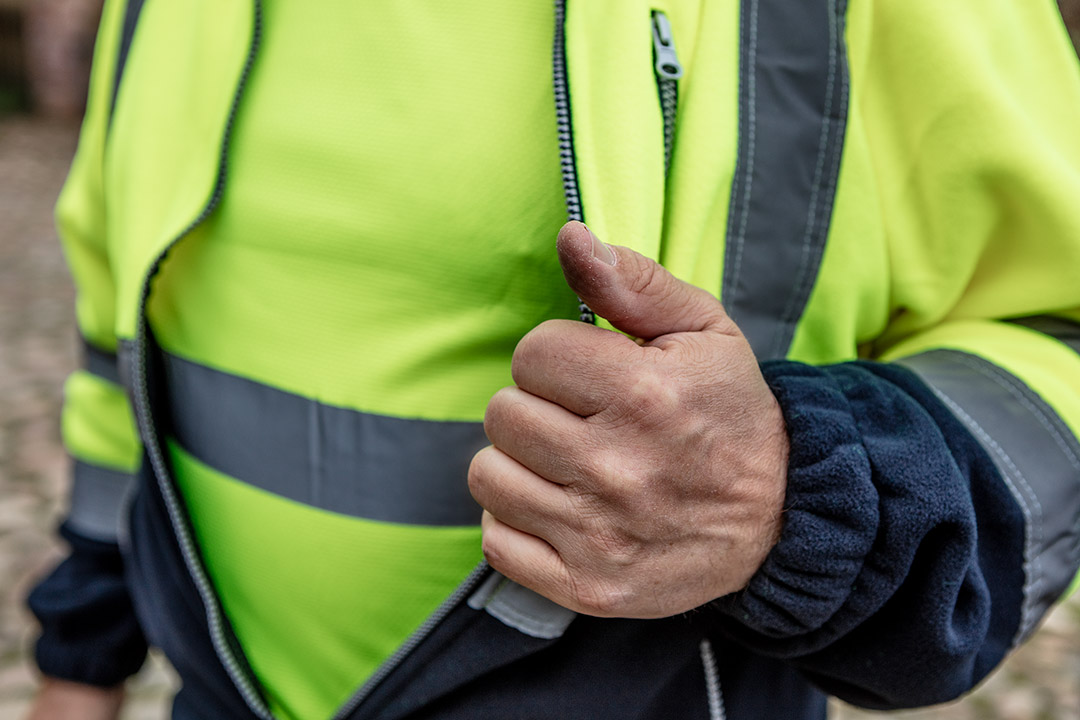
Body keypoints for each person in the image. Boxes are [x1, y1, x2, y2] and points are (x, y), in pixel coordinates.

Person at [24, 0, 1080, 718]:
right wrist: (82, 652)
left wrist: (792, 496)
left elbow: (1054, 331)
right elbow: (125, 325)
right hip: (224, 690)